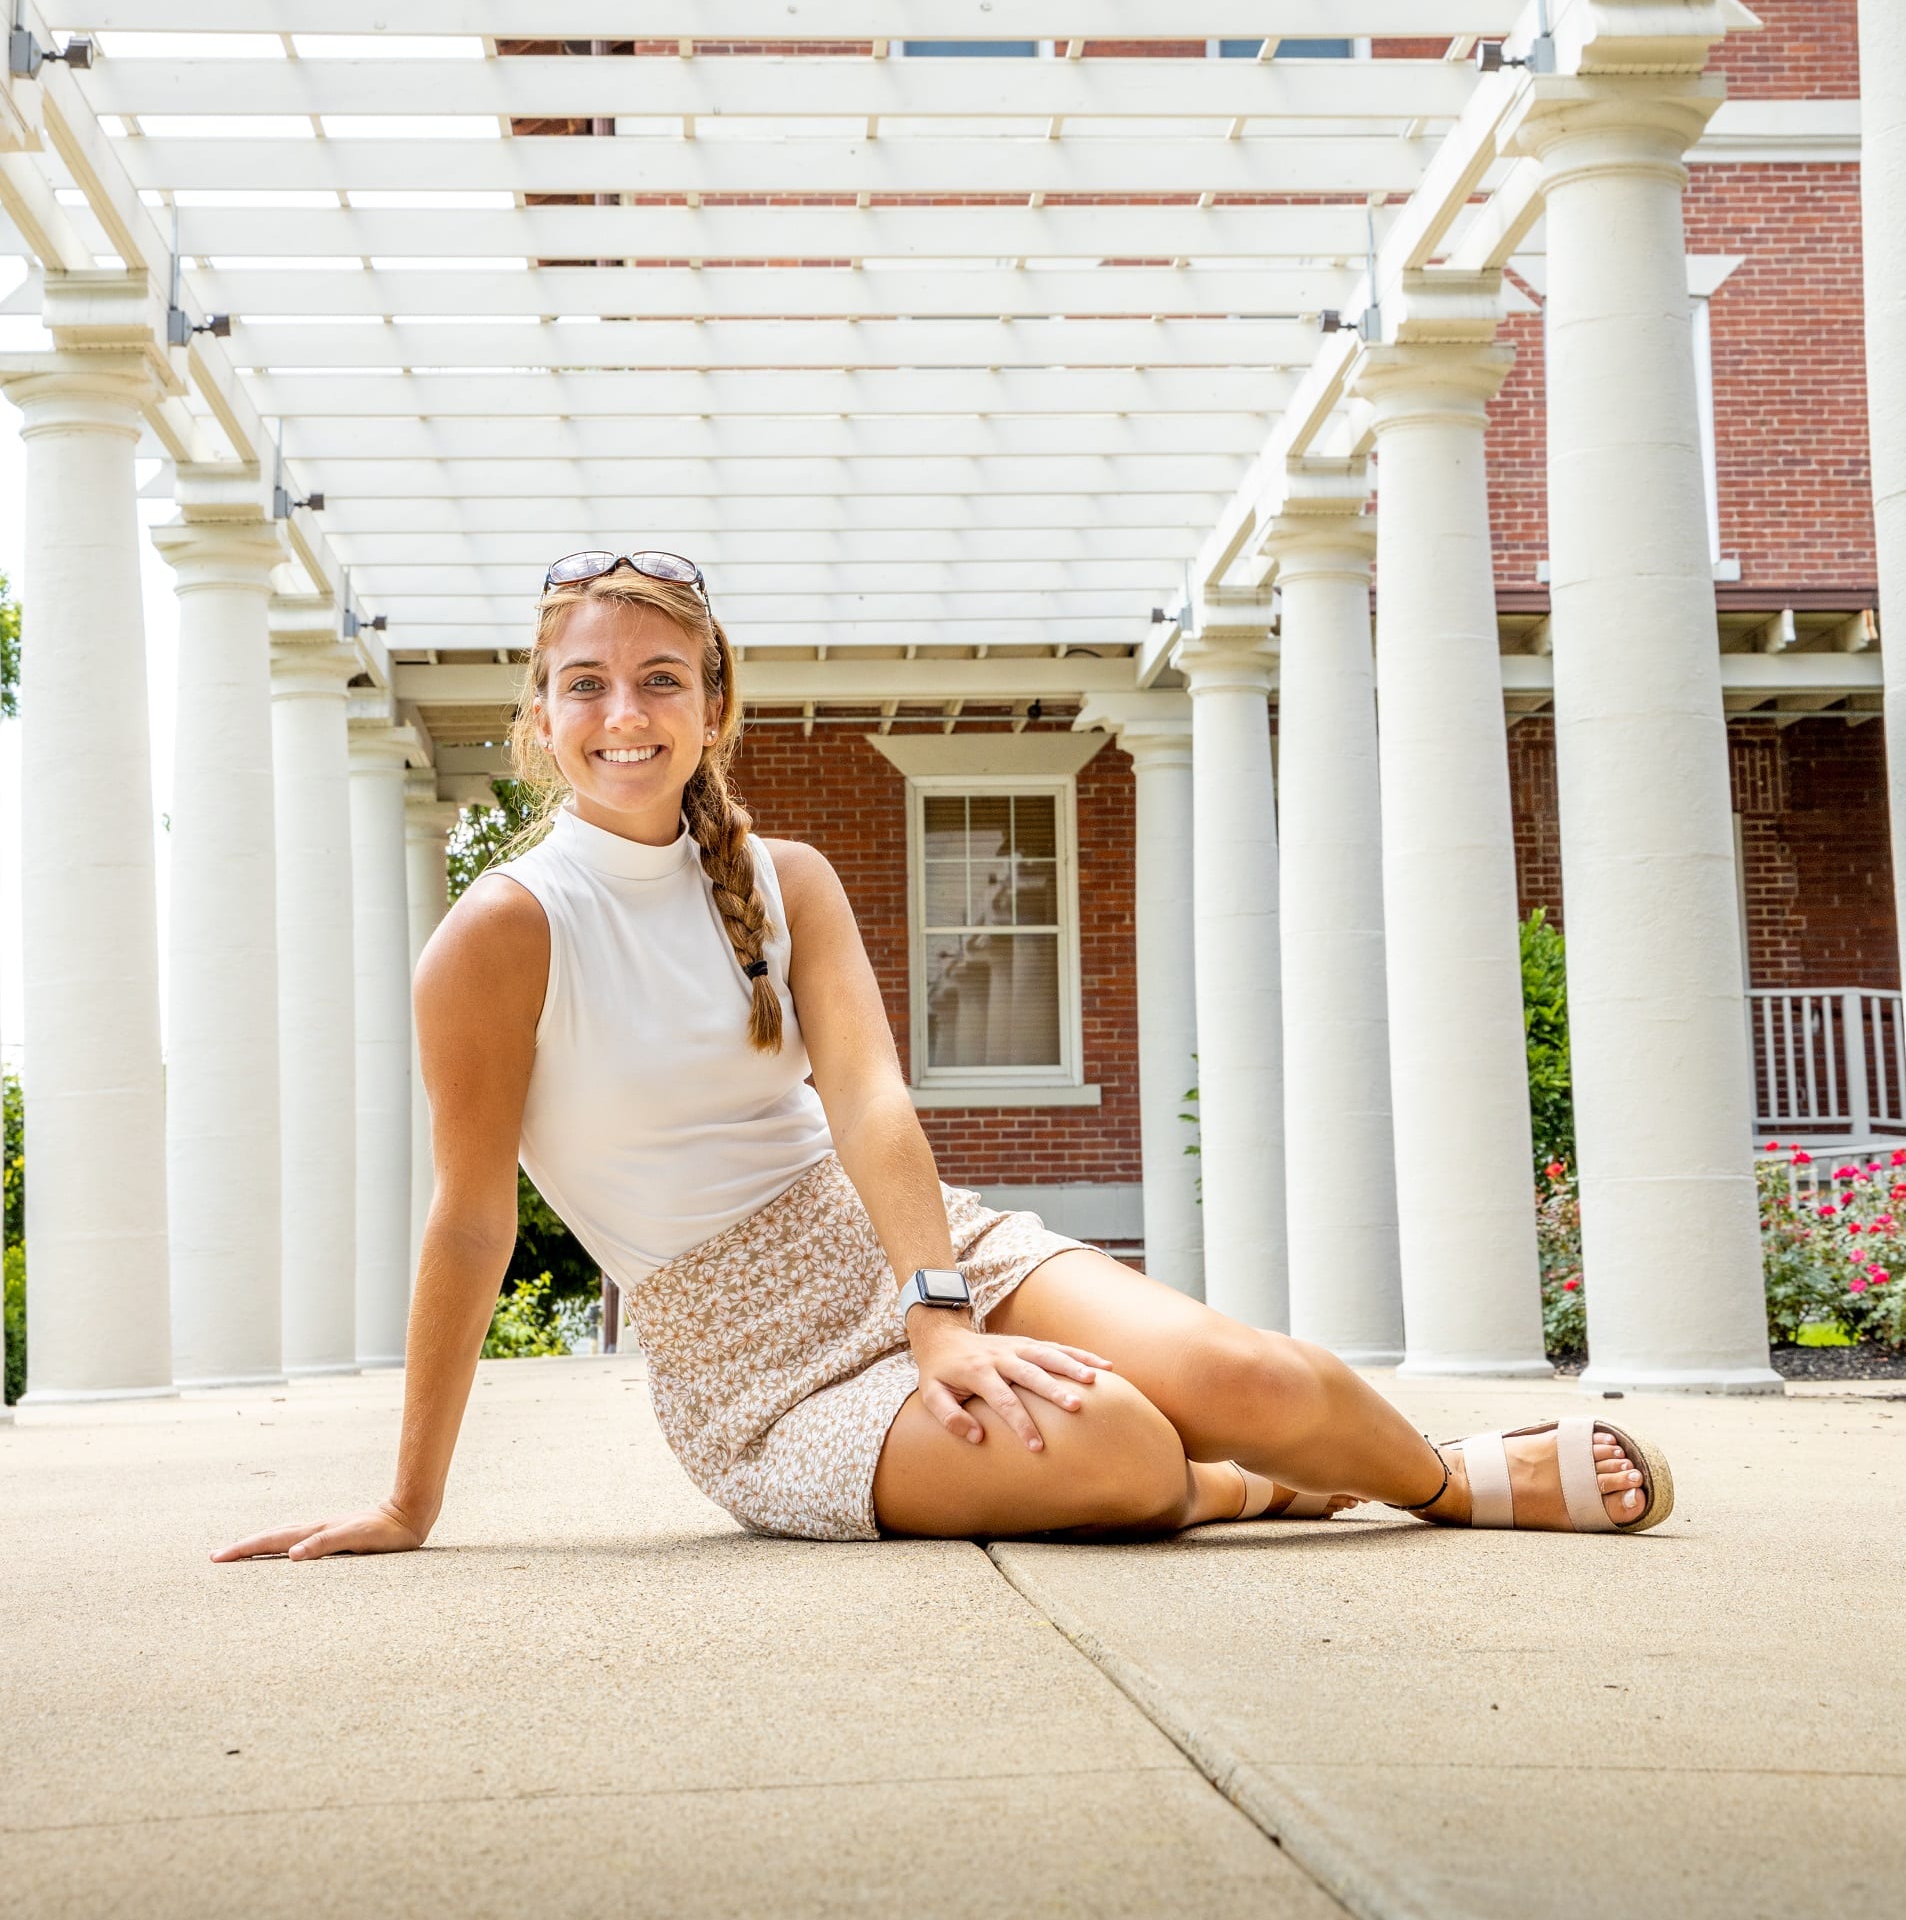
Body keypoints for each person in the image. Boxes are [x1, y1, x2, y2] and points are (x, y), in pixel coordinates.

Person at [215, 556, 1671, 1564]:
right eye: (584, 685)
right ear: (540, 718)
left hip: (916, 1248)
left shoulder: (786, 875)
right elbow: (470, 1218)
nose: (623, 715)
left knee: (1247, 1365)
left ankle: (1442, 1482)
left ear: (714, 705)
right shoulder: (499, 932)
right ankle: (1241, 1484)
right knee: (1115, 1448)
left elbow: (867, 1103)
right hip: (755, 1372)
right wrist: (411, 1501)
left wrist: (936, 1308)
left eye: (660, 678)